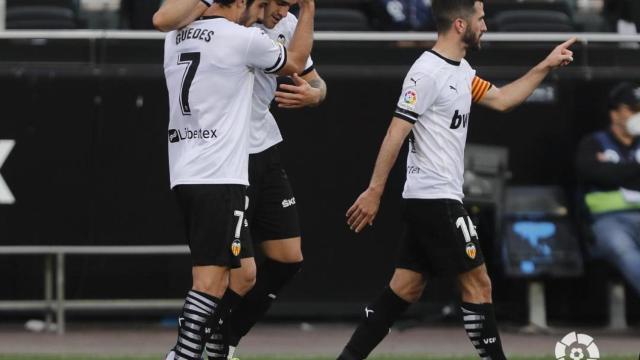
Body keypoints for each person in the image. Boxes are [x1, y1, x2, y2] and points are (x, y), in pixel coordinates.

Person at [337, 1, 575, 359]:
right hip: (436, 200)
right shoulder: (427, 72)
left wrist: (545, 65)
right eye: (481, 19)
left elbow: (502, 99)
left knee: (406, 287)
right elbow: (395, 132)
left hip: (433, 199)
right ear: (461, 24)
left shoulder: (462, 70)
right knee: (479, 285)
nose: (486, 26)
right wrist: (374, 191)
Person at [160, 0, 315, 359]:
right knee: (212, 282)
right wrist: (309, 10)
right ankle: (182, 355)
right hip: (221, 172)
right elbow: (292, 62)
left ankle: (213, 349)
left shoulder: (175, 37)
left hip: (185, 168)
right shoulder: (241, 38)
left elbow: (162, 17)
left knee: (229, 276)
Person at [576, 82, 640, 297]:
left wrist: (616, 170)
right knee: (622, 248)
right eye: (633, 110)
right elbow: (594, 173)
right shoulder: (594, 143)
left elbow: (610, 174)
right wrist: (634, 170)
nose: (638, 115)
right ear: (615, 114)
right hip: (608, 221)